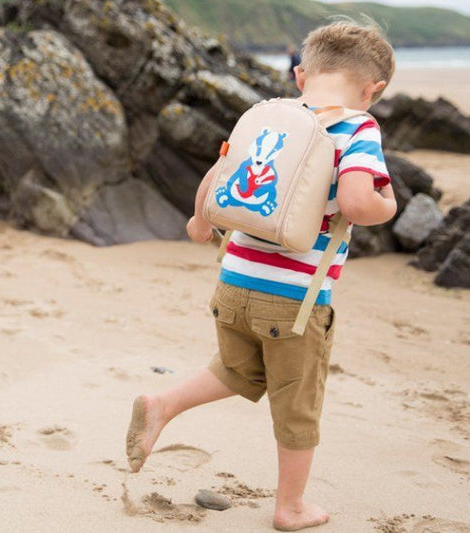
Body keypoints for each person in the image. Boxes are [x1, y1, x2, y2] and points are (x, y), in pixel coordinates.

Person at [126, 19, 397, 532]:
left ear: (300, 75)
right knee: (298, 406)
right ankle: (290, 507)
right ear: (373, 89)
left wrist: (200, 222)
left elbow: (220, 172)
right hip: (293, 301)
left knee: (238, 369)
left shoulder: (269, 116)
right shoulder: (358, 126)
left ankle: (162, 404)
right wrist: (387, 203)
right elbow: (360, 203)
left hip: (233, 282)